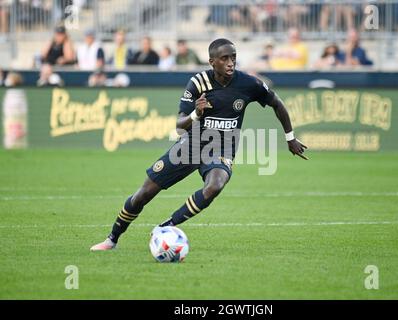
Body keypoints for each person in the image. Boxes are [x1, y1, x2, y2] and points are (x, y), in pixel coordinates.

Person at [90, 38, 308, 251]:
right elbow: (179, 125)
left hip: (223, 147)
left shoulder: (249, 83)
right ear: (212, 61)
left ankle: (166, 227)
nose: (231, 62)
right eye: (225, 58)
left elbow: (277, 104)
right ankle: (112, 239)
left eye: (233, 57)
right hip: (191, 145)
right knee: (143, 194)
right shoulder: (198, 83)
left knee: (215, 185)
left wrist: (290, 138)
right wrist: (196, 113)